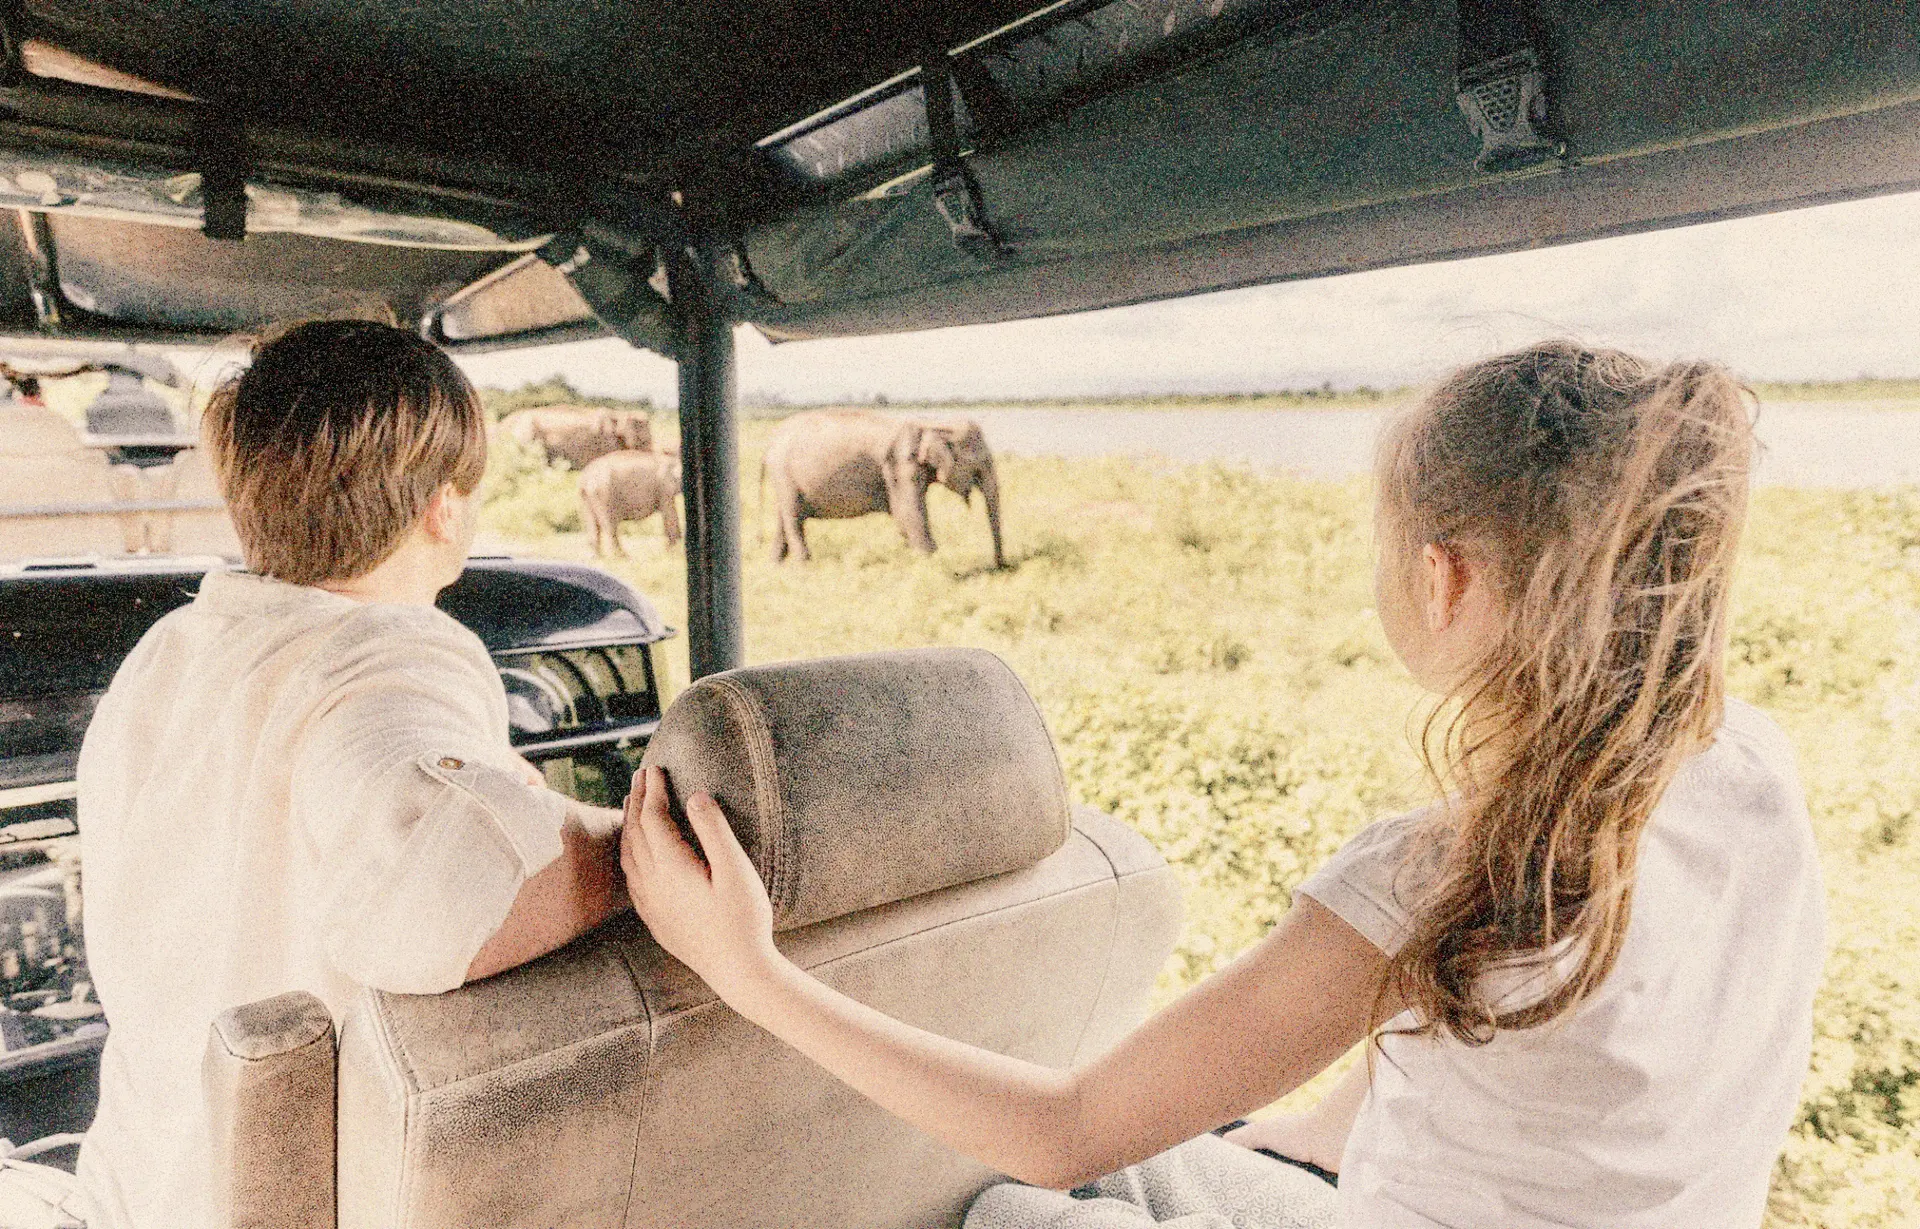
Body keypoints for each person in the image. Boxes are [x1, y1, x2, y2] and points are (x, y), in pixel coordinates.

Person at [619, 341, 1826, 1228]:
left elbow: (1064, 1131)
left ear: (1444, 580)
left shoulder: (1443, 870)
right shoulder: (1759, 774)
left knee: (1011, 1212)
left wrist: (750, 972)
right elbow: (1494, 1033)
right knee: (1182, 1159)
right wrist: (1311, 1132)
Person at [72, 320, 626, 1229]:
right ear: (442, 507)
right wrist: (614, 838)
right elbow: (442, 898)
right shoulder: (385, 655)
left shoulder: (172, 651)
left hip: (144, 1181)